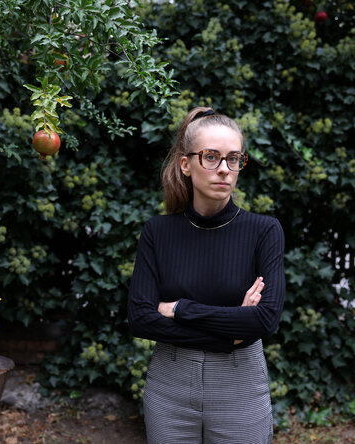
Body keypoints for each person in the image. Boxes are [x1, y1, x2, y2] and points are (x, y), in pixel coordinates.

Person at [127, 107, 285, 443]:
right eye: (210, 157)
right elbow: (140, 319)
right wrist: (230, 332)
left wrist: (180, 309)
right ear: (186, 164)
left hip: (239, 387)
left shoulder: (264, 231)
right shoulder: (158, 232)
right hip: (169, 388)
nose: (224, 170)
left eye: (234, 159)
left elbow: (265, 320)